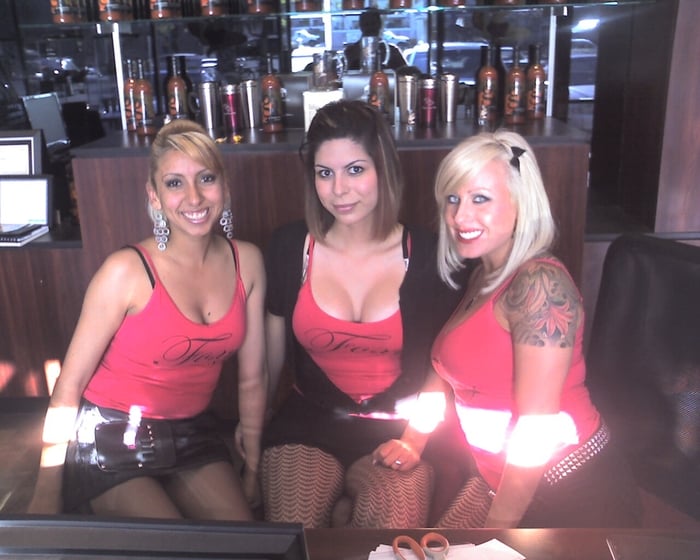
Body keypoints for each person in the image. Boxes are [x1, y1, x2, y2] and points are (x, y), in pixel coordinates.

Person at [374, 130, 641, 528]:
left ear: (521, 202)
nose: (459, 217)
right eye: (453, 199)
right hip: (499, 481)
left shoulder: (539, 285)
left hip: (568, 489)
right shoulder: (483, 275)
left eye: (480, 198)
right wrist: (413, 440)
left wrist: (496, 531)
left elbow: (536, 430)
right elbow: (444, 370)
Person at [27, 119, 267, 520]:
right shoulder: (124, 271)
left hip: (192, 431)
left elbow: (253, 378)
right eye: (174, 183)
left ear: (224, 186)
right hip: (109, 434)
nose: (194, 197)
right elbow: (69, 387)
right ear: (154, 196)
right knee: (170, 544)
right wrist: (46, 493)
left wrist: (253, 470)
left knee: (242, 539)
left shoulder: (249, 262)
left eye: (206, 178)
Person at [260, 100, 465, 528]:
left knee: (386, 538)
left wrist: (415, 440)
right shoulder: (289, 246)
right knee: (297, 537)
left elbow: (444, 368)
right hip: (308, 424)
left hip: (400, 430)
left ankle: (348, 512)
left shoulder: (431, 254)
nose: (339, 189)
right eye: (324, 173)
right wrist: (251, 435)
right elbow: (269, 363)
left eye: (355, 170)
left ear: (383, 169)